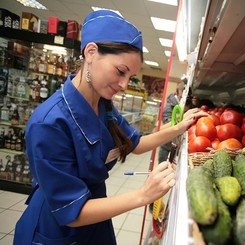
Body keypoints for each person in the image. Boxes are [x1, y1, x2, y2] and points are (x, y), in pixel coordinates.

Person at [14, 10, 206, 245]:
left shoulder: (103, 105)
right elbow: (71, 213)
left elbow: (135, 144)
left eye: (131, 76)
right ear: (91, 52)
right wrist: (143, 195)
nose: (125, 85)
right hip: (58, 229)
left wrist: (180, 127)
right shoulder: (49, 123)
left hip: (96, 217)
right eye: (120, 71)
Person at [158, 82, 185, 163]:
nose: (183, 98)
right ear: (177, 93)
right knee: (163, 170)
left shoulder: (183, 104)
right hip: (167, 148)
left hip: (176, 147)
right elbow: (169, 125)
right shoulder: (169, 107)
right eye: (181, 96)